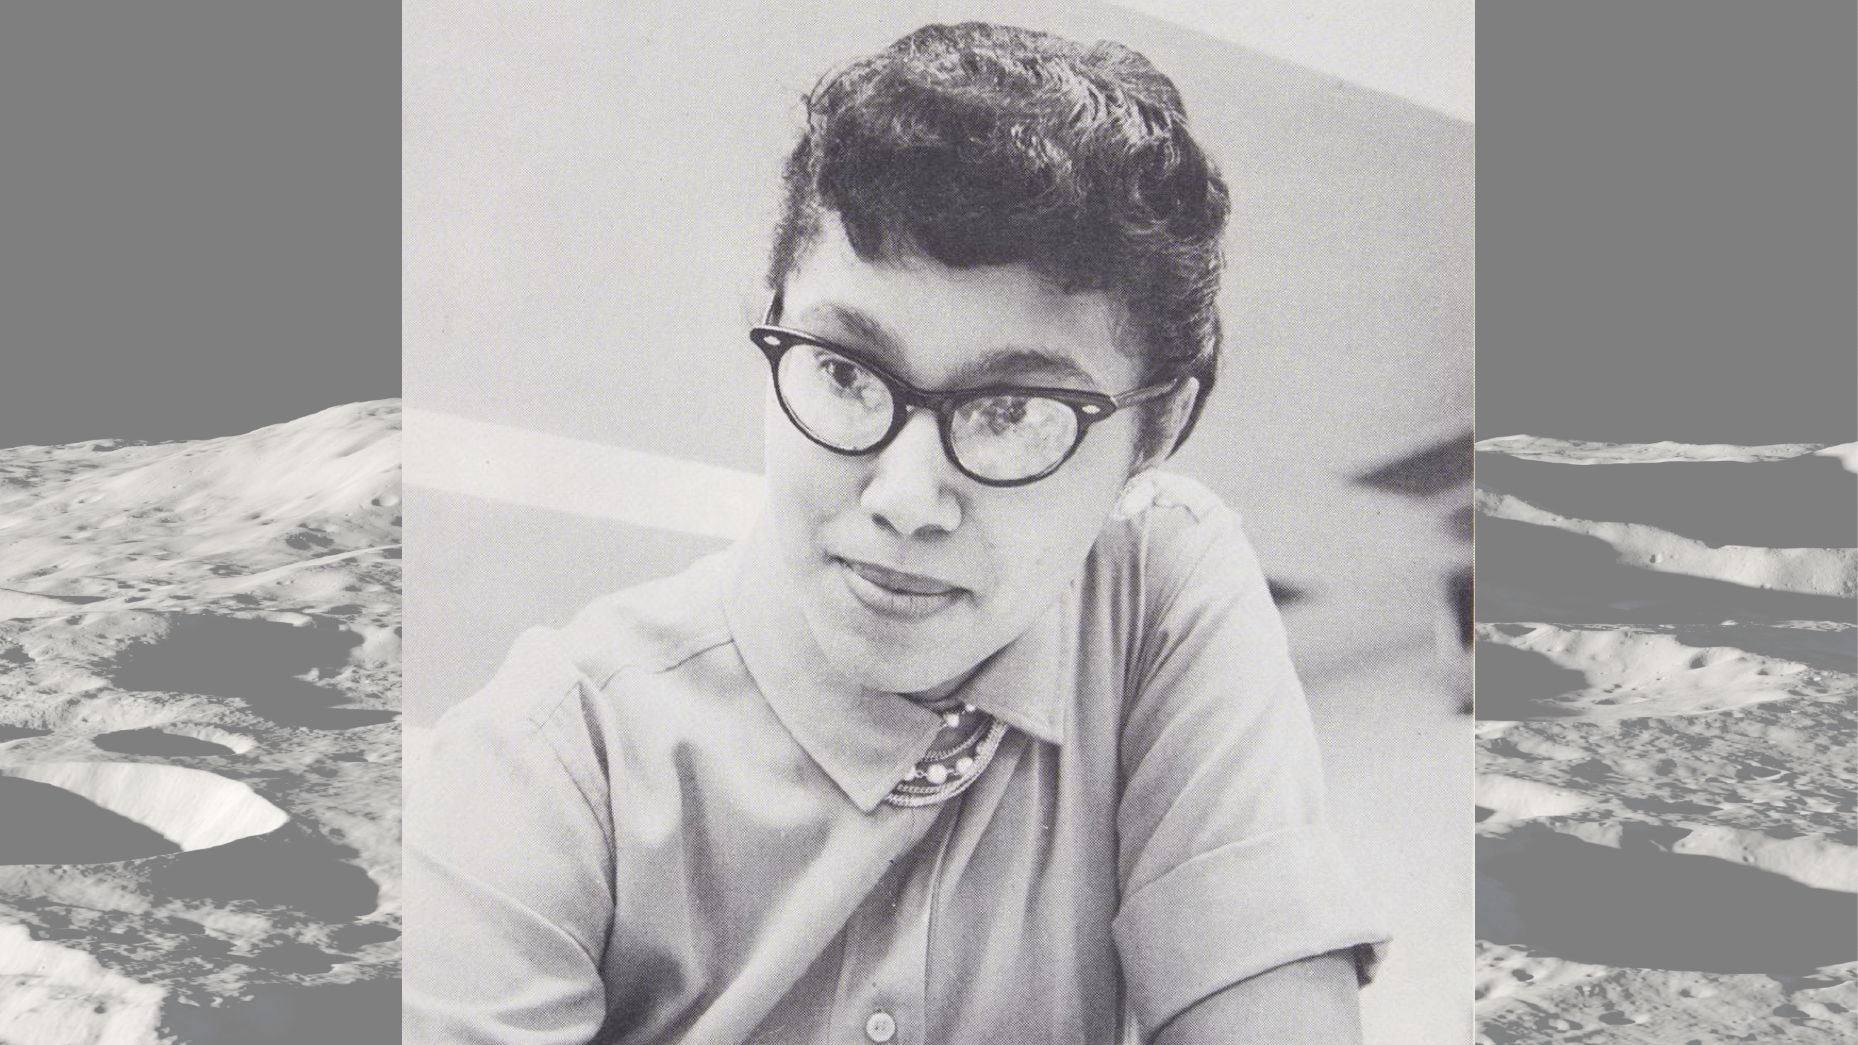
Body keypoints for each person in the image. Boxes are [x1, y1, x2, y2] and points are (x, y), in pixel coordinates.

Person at [406, 21, 1388, 1044]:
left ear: (1159, 428)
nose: (905, 496)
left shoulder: (1154, 595)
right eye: (842, 369)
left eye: (1012, 410)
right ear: (771, 318)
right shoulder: (545, 761)